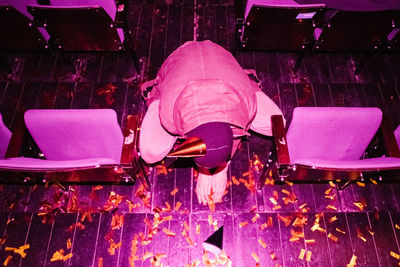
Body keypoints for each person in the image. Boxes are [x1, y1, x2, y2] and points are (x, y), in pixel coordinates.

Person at [139, 40, 284, 205]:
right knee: (150, 152)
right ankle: (158, 96)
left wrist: (222, 166)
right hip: (179, 61)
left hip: (220, 58)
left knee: (278, 125)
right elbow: (216, 137)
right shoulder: (169, 114)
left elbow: (234, 133)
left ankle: (244, 81)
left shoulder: (247, 105)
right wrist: (206, 170)